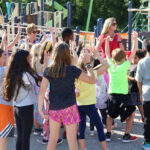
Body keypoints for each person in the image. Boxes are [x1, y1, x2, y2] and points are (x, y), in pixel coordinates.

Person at [38, 42, 95, 150]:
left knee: (53, 139)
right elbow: (92, 80)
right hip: (70, 108)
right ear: (68, 55)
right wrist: (88, 63)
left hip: (54, 109)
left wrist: (41, 109)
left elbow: (42, 91)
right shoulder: (72, 70)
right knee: (72, 139)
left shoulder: (49, 71)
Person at [3, 50, 41, 150]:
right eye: (28, 59)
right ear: (23, 61)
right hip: (26, 108)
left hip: (16, 107)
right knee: (25, 138)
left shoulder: (13, 73)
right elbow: (38, 82)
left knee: (20, 136)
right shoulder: (26, 74)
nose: (30, 61)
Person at [105, 31, 138, 143]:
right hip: (124, 95)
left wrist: (106, 42)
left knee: (110, 115)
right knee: (132, 112)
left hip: (112, 94)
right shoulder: (125, 66)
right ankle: (126, 135)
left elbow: (107, 53)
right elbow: (133, 52)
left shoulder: (110, 66)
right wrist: (135, 40)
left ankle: (108, 134)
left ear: (114, 59)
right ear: (124, 58)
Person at [76, 48, 109, 150]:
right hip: (89, 105)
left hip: (79, 104)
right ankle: (105, 149)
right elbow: (107, 65)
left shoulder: (76, 73)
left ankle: (83, 148)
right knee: (99, 127)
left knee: (81, 127)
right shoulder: (92, 73)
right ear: (89, 63)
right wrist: (97, 56)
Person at [135, 38, 150, 150]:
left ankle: (148, 142)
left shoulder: (141, 62)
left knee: (147, 119)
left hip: (146, 93)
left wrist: (140, 93)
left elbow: (139, 80)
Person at [0, 49, 14, 150]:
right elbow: (13, 67)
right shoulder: (2, 70)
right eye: (3, 57)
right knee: (3, 136)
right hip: (3, 105)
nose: (4, 58)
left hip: (4, 105)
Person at [128, 50, 146, 122]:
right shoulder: (135, 65)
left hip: (134, 89)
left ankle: (131, 119)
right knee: (139, 104)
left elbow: (135, 79)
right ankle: (144, 117)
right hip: (137, 89)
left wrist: (126, 76)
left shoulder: (138, 67)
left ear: (140, 59)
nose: (133, 59)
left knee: (132, 106)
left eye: (135, 58)